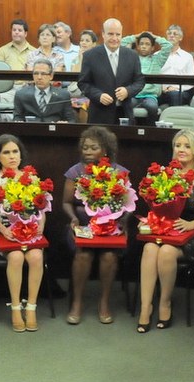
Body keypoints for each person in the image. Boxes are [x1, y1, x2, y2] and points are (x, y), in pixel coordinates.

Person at [137, 129, 194, 333]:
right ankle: (145, 307)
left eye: (187, 146)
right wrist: (148, 222)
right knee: (149, 248)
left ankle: (165, 303)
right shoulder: (164, 174)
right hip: (164, 230)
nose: (181, 149)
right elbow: (155, 207)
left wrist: (192, 224)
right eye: (178, 145)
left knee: (166, 252)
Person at [63, 126, 127, 325]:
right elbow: (66, 202)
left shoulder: (119, 172)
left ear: (105, 150)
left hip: (111, 227)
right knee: (83, 254)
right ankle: (77, 303)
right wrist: (73, 218)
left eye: (93, 148)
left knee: (108, 256)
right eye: (84, 148)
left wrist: (124, 220)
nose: (87, 152)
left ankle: (104, 302)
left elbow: (127, 204)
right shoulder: (75, 172)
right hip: (82, 225)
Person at [0, 134, 45, 332]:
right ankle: (16, 307)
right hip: (3, 231)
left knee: (35, 256)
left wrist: (41, 225)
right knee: (16, 257)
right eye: (6, 152)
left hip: (30, 230)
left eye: (15, 151)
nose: (12, 156)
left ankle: (32, 307)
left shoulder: (31, 177)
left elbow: (41, 208)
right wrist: (4, 230)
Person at [78, 18, 145, 125]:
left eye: (118, 34)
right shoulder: (90, 56)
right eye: (110, 34)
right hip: (99, 115)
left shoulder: (132, 55)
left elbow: (139, 81)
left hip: (124, 114)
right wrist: (98, 95)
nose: (114, 38)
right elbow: (83, 83)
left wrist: (128, 91)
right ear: (103, 34)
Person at [120, 31, 172, 125]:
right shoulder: (132, 58)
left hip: (150, 95)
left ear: (152, 48)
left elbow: (168, 46)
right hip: (134, 94)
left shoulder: (158, 60)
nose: (144, 46)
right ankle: (131, 130)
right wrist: (136, 36)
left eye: (147, 44)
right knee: (126, 105)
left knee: (152, 107)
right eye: (141, 44)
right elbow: (121, 43)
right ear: (138, 46)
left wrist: (154, 37)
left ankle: (150, 131)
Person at [0, 19, 36, 106]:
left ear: (25, 34)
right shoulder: (3, 50)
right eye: (14, 30)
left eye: (20, 30)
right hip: (7, 88)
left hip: (29, 88)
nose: (16, 32)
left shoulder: (34, 52)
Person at [159, 24, 194, 106]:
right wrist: (163, 88)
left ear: (180, 38)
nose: (172, 36)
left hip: (180, 92)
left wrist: (176, 88)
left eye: (175, 34)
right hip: (161, 91)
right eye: (169, 33)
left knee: (175, 95)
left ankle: (172, 118)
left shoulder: (187, 57)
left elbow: (191, 81)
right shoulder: (157, 55)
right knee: (149, 99)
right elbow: (153, 76)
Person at [67, 30, 96, 123]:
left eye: (87, 41)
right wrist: (81, 58)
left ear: (94, 44)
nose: (83, 43)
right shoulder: (76, 59)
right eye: (82, 40)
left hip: (90, 92)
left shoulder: (98, 59)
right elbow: (75, 76)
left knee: (83, 105)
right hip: (76, 91)